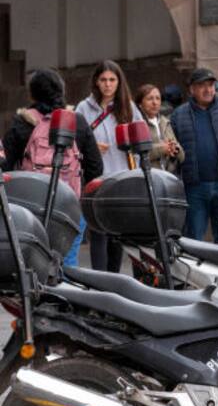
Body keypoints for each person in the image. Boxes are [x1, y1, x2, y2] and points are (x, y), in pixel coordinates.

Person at [3, 69, 103, 266]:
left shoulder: (22, 123)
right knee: (67, 262)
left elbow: (4, 164)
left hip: (29, 206)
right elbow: (95, 167)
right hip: (70, 206)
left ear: (32, 94)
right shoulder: (78, 122)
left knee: (30, 262)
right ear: (62, 91)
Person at [77, 60, 144, 271]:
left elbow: (142, 139)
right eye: (103, 80)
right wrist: (91, 145)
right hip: (96, 182)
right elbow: (73, 144)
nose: (107, 84)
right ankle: (99, 286)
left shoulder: (129, 107)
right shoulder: (83, 108)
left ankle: (113, 284)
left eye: (112, 80)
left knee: (116, 238)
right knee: (98, 235)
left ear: (119, 82)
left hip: (122, 180)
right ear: (96, 82)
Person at [170, 67, 218, 243]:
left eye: (211, 85)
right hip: (195, 186)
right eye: (202, 86)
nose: (208, 90)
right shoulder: (179, 114)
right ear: (192, 89)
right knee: (194, 237)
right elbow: (173, 151)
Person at [134, 84, 185, 174]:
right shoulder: (137, 124)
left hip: (169, 176)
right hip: (148, 177)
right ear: (140, 104)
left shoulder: (165, 122)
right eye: (150, 99)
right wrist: (162, 149)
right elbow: (136, 155)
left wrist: (175, 149)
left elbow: (182, 157)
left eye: (158, 98)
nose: (155, 102)